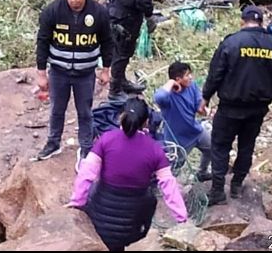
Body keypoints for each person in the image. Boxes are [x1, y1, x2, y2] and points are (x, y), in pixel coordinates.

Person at [66, 98, 188, 252]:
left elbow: (86, 173)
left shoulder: (106, 140)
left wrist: (76, 202)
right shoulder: (155, 150)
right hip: (133, 227)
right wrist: (182, 219)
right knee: (150, 197)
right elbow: (169, 188)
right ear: (146, 123)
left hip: (100, 220)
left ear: (120, 117)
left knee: (95, 187)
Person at [200, 5, 272, 205]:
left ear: (242, 21)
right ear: (261, 22)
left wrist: (205, 97)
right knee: (246, 146)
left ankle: (217, 191)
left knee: (220, 146)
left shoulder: (231, 42)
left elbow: (216, 74)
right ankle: (237, 185)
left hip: (230, 107)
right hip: (257, 109)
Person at [34, 0, 113, 165]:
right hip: (59, 72)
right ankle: (53, 143)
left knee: (85, 111)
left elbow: (107, 42)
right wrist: (41, 73)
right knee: (56, 110)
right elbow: (43, 42)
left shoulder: (99, 13)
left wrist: (106, 69)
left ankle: (86, 148)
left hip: (85, 74)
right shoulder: (52, 11)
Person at [153, 61, 212, 181]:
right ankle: (165, 191)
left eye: (190, 74)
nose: (190, 77)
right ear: (178, 79)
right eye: (187, 75)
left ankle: (202, 172)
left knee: (212, 148)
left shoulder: (192, 86)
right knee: (174, 169)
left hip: (195, 131)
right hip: (178, 140)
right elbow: (158, 97)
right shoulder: (168, 97)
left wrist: (206, 110)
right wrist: (171, 83)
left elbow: (198, 105)